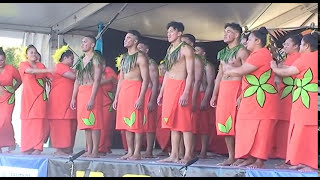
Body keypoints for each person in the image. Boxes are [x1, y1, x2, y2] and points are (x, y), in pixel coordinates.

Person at [224, 27, 279, 169]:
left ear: (258, 41)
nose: (246, 42)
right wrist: (242, 95)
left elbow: (243, 71)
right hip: (250, 98)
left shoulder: (262, 54)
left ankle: (259, 160)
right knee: (245, 127)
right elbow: (248, 78)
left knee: (262, 130)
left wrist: (228, 70)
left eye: (249, 40)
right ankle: (249, 157)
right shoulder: (254, 54)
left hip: (262, 99)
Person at [271, 33, 318, 172]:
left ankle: (311, 164)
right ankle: (304, 161)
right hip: (307, 98)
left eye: (302, 44)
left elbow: (289, 72)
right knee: (305, 130)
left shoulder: (306, 58)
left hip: (306, 99)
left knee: (305, 130)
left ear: (306, 46)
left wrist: (274, 67)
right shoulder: (313, 57)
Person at [210, 23, 249, 166]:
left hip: (237, 87)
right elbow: (219, 74)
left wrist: (243, 94)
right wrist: (214, 94)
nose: (225, 34)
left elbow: (247, 74)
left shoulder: (242, 52)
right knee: (225, 123)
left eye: (228, 32)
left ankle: (242, 155)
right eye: (224, 31)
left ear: (237, 34)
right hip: (224, 90)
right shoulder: (222, 53)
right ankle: (231, 156)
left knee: (237, 123)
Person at [157, 21, 195, 164]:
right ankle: (174, 154)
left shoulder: (186, 49)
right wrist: (161, 92)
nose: (169, 34)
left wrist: (186, 93)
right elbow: (167, 72)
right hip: (170, 87)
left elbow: (191, 73)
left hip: (181, 85)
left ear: (179, 33)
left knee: (184, 122)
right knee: (172, 123)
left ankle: (187, 155)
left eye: (171, 31)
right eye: (167, 32)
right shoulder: (170, 49)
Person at [113, 30, 149, 160]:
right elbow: (121, 79)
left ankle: (137, 152)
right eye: (125, 37)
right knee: (126, 123)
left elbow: (146, 79)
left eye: (128, 38)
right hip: (124, 91)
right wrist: (116, 97)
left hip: (135, 89)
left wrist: (141, 97)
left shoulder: (140, 57)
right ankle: (130, 151)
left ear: (135, 41)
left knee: (136, 122)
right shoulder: (123, 58)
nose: (125, 40)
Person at [269, 35, 302, 161]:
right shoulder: (287, 58)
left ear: (296, 46)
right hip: (282, 95)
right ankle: (276, 152)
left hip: (291, 95)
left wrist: (275, 66)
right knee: (280, 123)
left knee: (286, 124)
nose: (284, 46)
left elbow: (284, 70)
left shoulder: (298, 58)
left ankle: (285, 154)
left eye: (287, 44)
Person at [71, 36, 103, 158]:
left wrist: (92, 98)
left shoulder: (96, 59)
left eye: (85, 42)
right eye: (82, 41)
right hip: (82, 92)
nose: (82, 44)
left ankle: (95, 150)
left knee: (94, 121)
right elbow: (77, 80)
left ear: (93, 45)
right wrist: (74, 97)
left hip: (92, 91)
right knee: (86, 122)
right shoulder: (80, 60)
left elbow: (97, 79)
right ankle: (89, 149)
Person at [19, 44, 53, 155]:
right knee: (27, 122)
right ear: (27, 55)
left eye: (35, 52)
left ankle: (38, 147)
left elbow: (51, 77)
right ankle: (27, 147)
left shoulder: (41, 65)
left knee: (39, 122)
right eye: (31, 52)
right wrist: (46, 70)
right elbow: (31, 71)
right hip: (28, 99)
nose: (33, 54)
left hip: (40, 99)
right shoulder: (23, 64)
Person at [47, 47, 77, 156]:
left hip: (69, 102)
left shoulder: (70, 68)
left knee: (71, 124)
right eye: (71, 59)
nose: (73, 61)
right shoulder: (60, 66)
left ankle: (68, 149)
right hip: (58, 103)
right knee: (60, 125)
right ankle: (59, 150)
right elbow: (74, 76)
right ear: (64, 58)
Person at [180, 33, 204, 159]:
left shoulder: (196, 59)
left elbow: (197, 81)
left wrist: (194, 98)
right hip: (182, 92)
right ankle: (178, 152)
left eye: (185, 42)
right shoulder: (181, 58)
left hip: (192, 94)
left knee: (189, 124)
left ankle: (189, 153)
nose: (182, 44)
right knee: (180, 124)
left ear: (192, 44)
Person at [137, 39, 159, 158]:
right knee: (139, 122)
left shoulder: (151, 63)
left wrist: (152, 100)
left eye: (141, 48)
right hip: (139, 94)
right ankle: (136, 150)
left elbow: (155, 83)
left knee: (149, 123)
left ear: (146, 50)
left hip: (149, 93)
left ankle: (149, 150)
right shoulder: (136, 62)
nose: (138, 50)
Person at [194, 44, 216, 158]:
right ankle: (192, 150)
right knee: (193, 124)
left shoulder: (208, 66)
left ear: (203, 53)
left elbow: (210, 84)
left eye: (197, 50)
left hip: (203, 95)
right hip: (194, 95)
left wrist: (205, 100)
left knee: (204, 125)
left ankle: (203, 151)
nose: (194, 52)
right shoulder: (192, 64)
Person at [0, 47, 22, 153]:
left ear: (5, 59)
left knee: (5, 120)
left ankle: (10, 142)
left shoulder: (11, 69)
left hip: (9, 98)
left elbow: (19, 80)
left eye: (2, 60)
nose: (1, 62)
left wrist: (13, 89)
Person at [98, 51, 118, 156]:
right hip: (96, 102)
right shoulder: (91, 72)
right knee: (94, 125)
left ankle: (103, 148)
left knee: (106, 126)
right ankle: (93, 148)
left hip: (107, 102)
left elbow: (115, 82)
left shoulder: (109, 71)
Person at [155, 62, 171, 156]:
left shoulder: (171, 77)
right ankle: (164, 148)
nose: (162, 71)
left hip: (168, 101)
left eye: (164, 69)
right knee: (160, 126)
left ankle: (171, 148)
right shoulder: (159, 79)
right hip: (160, 104)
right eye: (160, 69)